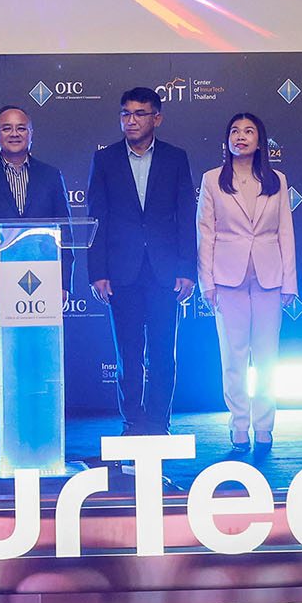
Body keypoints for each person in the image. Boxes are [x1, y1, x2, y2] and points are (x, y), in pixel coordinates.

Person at [0, 105, 74, 458]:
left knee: (39, 359)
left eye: (21, 128)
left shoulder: (51, 175)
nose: (14, 133)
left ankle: (41, 429)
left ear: (31, 133)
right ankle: (2, 432)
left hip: (44, 281)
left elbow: (67, 231)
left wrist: (64, 281)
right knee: (2, 361)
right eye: (6, 128)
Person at [85, 86, 196, 436]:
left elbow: (186, 215)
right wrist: (97, 272)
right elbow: (96, 217)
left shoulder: (175, 158)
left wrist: (187, 270)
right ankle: (132, 422)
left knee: (163, 353)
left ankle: (160, 423)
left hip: (165, 271)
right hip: (121, 272)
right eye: (125, 114)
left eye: (139, 114)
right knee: (128, 355)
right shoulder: (105, 160)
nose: (131, 121)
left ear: (156, 118)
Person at [197, 111, 297, 455]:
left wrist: (289, 283)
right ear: (227, 140)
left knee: (268, 356)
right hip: (227, 279)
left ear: (260, 140)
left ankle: (265, 425)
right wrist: (206, 282)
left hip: (270, 278)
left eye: (249, 131)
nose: (241, 137)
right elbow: (205, 233)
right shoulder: (212, 180)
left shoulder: (277, 180)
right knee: (233, 355)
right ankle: (239, 424)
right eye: (235, 131)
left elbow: (286, 232)